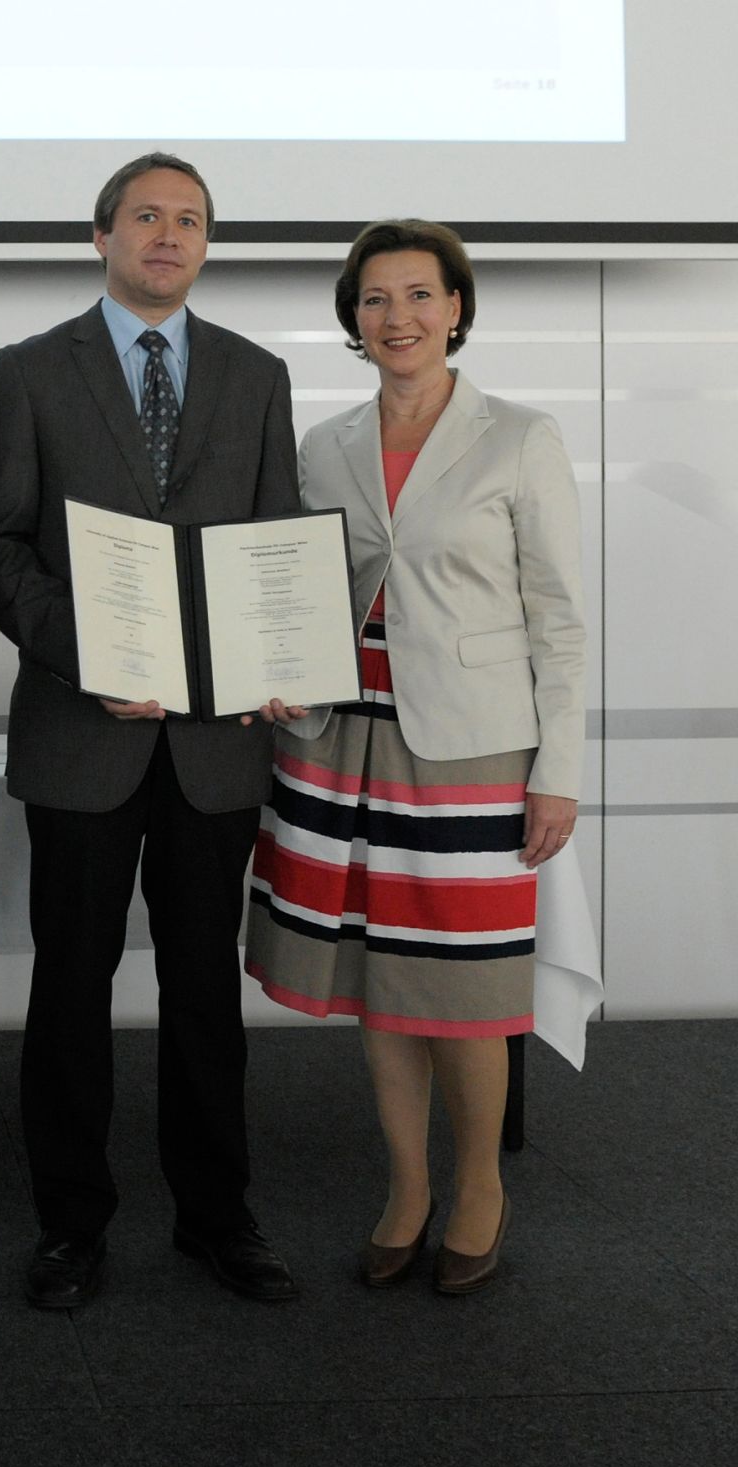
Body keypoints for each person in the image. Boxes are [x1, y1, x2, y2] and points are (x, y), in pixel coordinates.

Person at [0, 151, 300, 1308]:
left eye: (189, 220)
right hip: (83, 734)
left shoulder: (255, 374)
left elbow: (271, 543)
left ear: (206, 243)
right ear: (101, 234)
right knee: (69, 986)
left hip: (213, 745)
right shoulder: (28, 369)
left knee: (203, 991)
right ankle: (69, 1224)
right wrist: (85, 649)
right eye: (146, 216)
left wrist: (272, 654)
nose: (168, 235)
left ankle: (217, 1216)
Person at [246, 219, 585, 1294]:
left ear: (455, 307)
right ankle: (406, 1187)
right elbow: (297, 589)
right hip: (339, 739)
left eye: (418, 294)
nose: (397, 316)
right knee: (379, 979)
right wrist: (272, 666)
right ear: (353, 318)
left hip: (471, 749)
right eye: (375, 298)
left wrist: (559, 769)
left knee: (465, 989)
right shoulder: (325, 443)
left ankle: (478, 1186)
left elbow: (559, 618)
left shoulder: (519, 436)